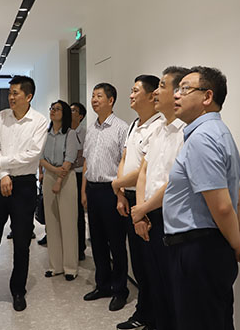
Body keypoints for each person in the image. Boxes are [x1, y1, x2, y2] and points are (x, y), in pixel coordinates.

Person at [162, 66, 240, 328]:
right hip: (208, 249)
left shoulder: (203, 139)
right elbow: (237, 200)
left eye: (185, 88)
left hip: (199, 251)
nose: (177, 94)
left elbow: (223, 207)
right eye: (177, 89)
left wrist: (238, 245)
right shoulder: (218, 133)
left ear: (207, 96)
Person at [0, 75, 48, 312]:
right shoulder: (1, 117)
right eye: (10, 92)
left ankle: (18, 291)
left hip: (24, 187)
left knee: (22, 243)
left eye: (16, 93)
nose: (11, 97)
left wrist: (3, 162)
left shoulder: (39, 121)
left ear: (28, 96)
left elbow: (33, 154)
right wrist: (3, 174)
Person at [130, 66, 190, 330]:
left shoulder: (186, 132)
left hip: (170, 218)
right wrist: (140, 211)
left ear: (177, 93)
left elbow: (175, 181)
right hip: (149, 213)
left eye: (162, 86)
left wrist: (143, 208)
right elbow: (144, 171)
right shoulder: (158, 130)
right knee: (155, 282)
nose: (156, 92)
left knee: (173, 288)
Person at [111, 75, 163, 330]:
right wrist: (120, 192)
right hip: (129, 197)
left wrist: (117, 184)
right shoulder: (134, 124)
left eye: (135, 91)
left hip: (147, 202)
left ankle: (155, 317)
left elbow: (145, 170)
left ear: (152, 95)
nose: (130, 95)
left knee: (152, 266)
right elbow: (124, 159)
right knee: (139, 264)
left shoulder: (158, 127)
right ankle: (143, 313)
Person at [81, 83, 130, 311]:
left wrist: (120, 195)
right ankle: (103, 285)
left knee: (116, 243)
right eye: (93, 96)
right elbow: (86, 161)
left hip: (112, 191)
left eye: (99, 96)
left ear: (111, 100)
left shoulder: (121, 128)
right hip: (92, 190)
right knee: (97, 241)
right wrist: (84, 191)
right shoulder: (90, 129)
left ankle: (120, 290)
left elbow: (125, 164)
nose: (94, 100)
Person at [38, 100, 80, 280]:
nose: (53, 111)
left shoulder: (70, 134)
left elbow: (69, 158)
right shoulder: (45, 134)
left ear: (64, 114)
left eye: (57, 109)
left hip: (67, 178)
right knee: (52, 221)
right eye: (52, 108)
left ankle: (70, 267)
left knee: (68, 222)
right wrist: (53, 172)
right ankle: (55, 266)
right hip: (50, 176)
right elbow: (40, 157)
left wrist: (59, 179)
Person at [70, 101, 87, 260]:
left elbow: (84, 157)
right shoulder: (65, 130)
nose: (70, 112)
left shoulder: (84, 132)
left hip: (79, 176)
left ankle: (80, 247)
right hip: (65, 175)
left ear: (80, 116)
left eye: (74, 110)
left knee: (78, 213)